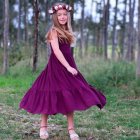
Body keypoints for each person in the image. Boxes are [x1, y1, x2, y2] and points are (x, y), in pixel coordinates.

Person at [19, 2, 106, 140]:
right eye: (59, 15)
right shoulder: (54, 31)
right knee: (48, 93)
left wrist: (72, 66)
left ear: (68, 16)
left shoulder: (68, 32)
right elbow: (57, 52)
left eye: (65, 14)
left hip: (69, 66)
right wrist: (67, 67)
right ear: (55, 17)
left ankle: (71, 129)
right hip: (56, 67)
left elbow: (67, 52)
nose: (62, 17)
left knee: (69, 95)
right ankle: (43, 127)